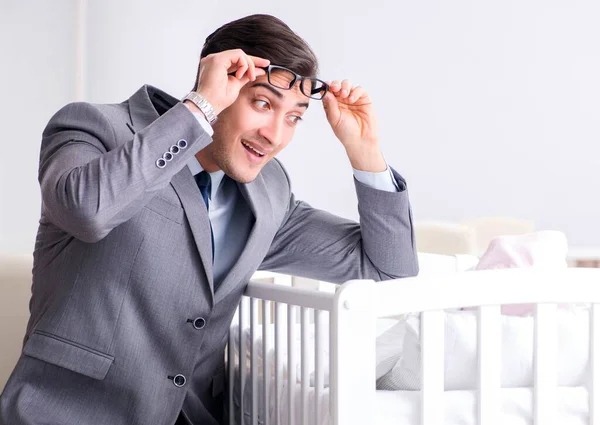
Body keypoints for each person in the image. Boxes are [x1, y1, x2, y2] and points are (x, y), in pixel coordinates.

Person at [0, 13, 418, 425]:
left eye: (293, 117)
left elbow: (389, 270)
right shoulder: (95, 127)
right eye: (262, 103)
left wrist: (365, 152)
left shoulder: (269, 192)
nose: (275, 135)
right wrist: (200, 107)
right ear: (220, 84)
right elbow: (88, 212)